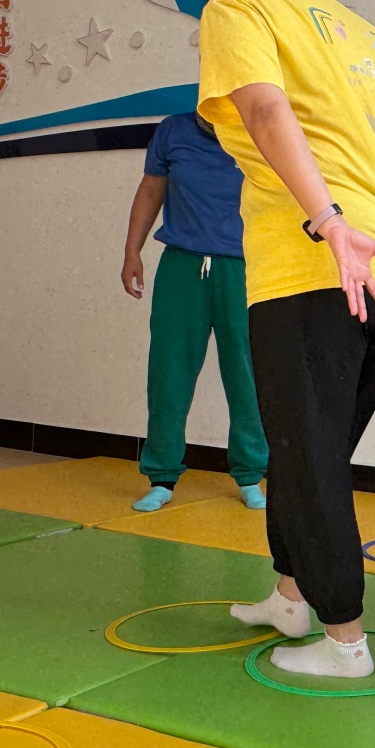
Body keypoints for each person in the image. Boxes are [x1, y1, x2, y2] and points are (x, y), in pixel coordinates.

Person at [197, 0, 375, 679]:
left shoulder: (236, 6)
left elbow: (263, 111)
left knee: (309, 454)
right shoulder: (363, 35)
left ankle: (345, 640)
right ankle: (291, 596)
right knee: (309, 446)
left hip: (317, 271)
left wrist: (330, 222)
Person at [121, 111, 268, 513]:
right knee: (169, 372)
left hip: (245, 268)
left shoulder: (264, 127)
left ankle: (251, 474)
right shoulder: (175, 130)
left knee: (247, 372)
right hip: (182, 266)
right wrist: (132, 250)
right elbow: (152, 189)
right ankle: (162, 476)